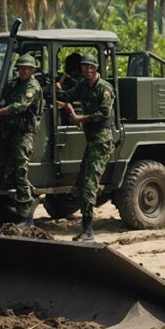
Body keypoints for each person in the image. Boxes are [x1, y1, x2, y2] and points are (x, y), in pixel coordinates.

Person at [55, 54, 115, 242]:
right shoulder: (83, 84)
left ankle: (88, 231)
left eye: (91, 67)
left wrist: (81, 118)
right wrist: (56, 89)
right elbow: (69, 95)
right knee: (81, 184)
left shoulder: (104, 88)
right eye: (84, 67)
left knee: (89, 185)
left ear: (96, 68)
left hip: (102, 141)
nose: (88, 70)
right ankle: (86, 228)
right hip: (92, 141)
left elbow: (103, 114)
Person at [0, 54, 44, 226]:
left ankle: (26, 217)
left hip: (24, 134)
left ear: (33, 70)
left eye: (27, 68)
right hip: (11, 132)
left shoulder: (32, 86)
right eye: (21, 68)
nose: (24, 71)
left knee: (20, 171)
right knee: (9, 174)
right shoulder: (16, 83)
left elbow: (20, 106)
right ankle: (28, 199)